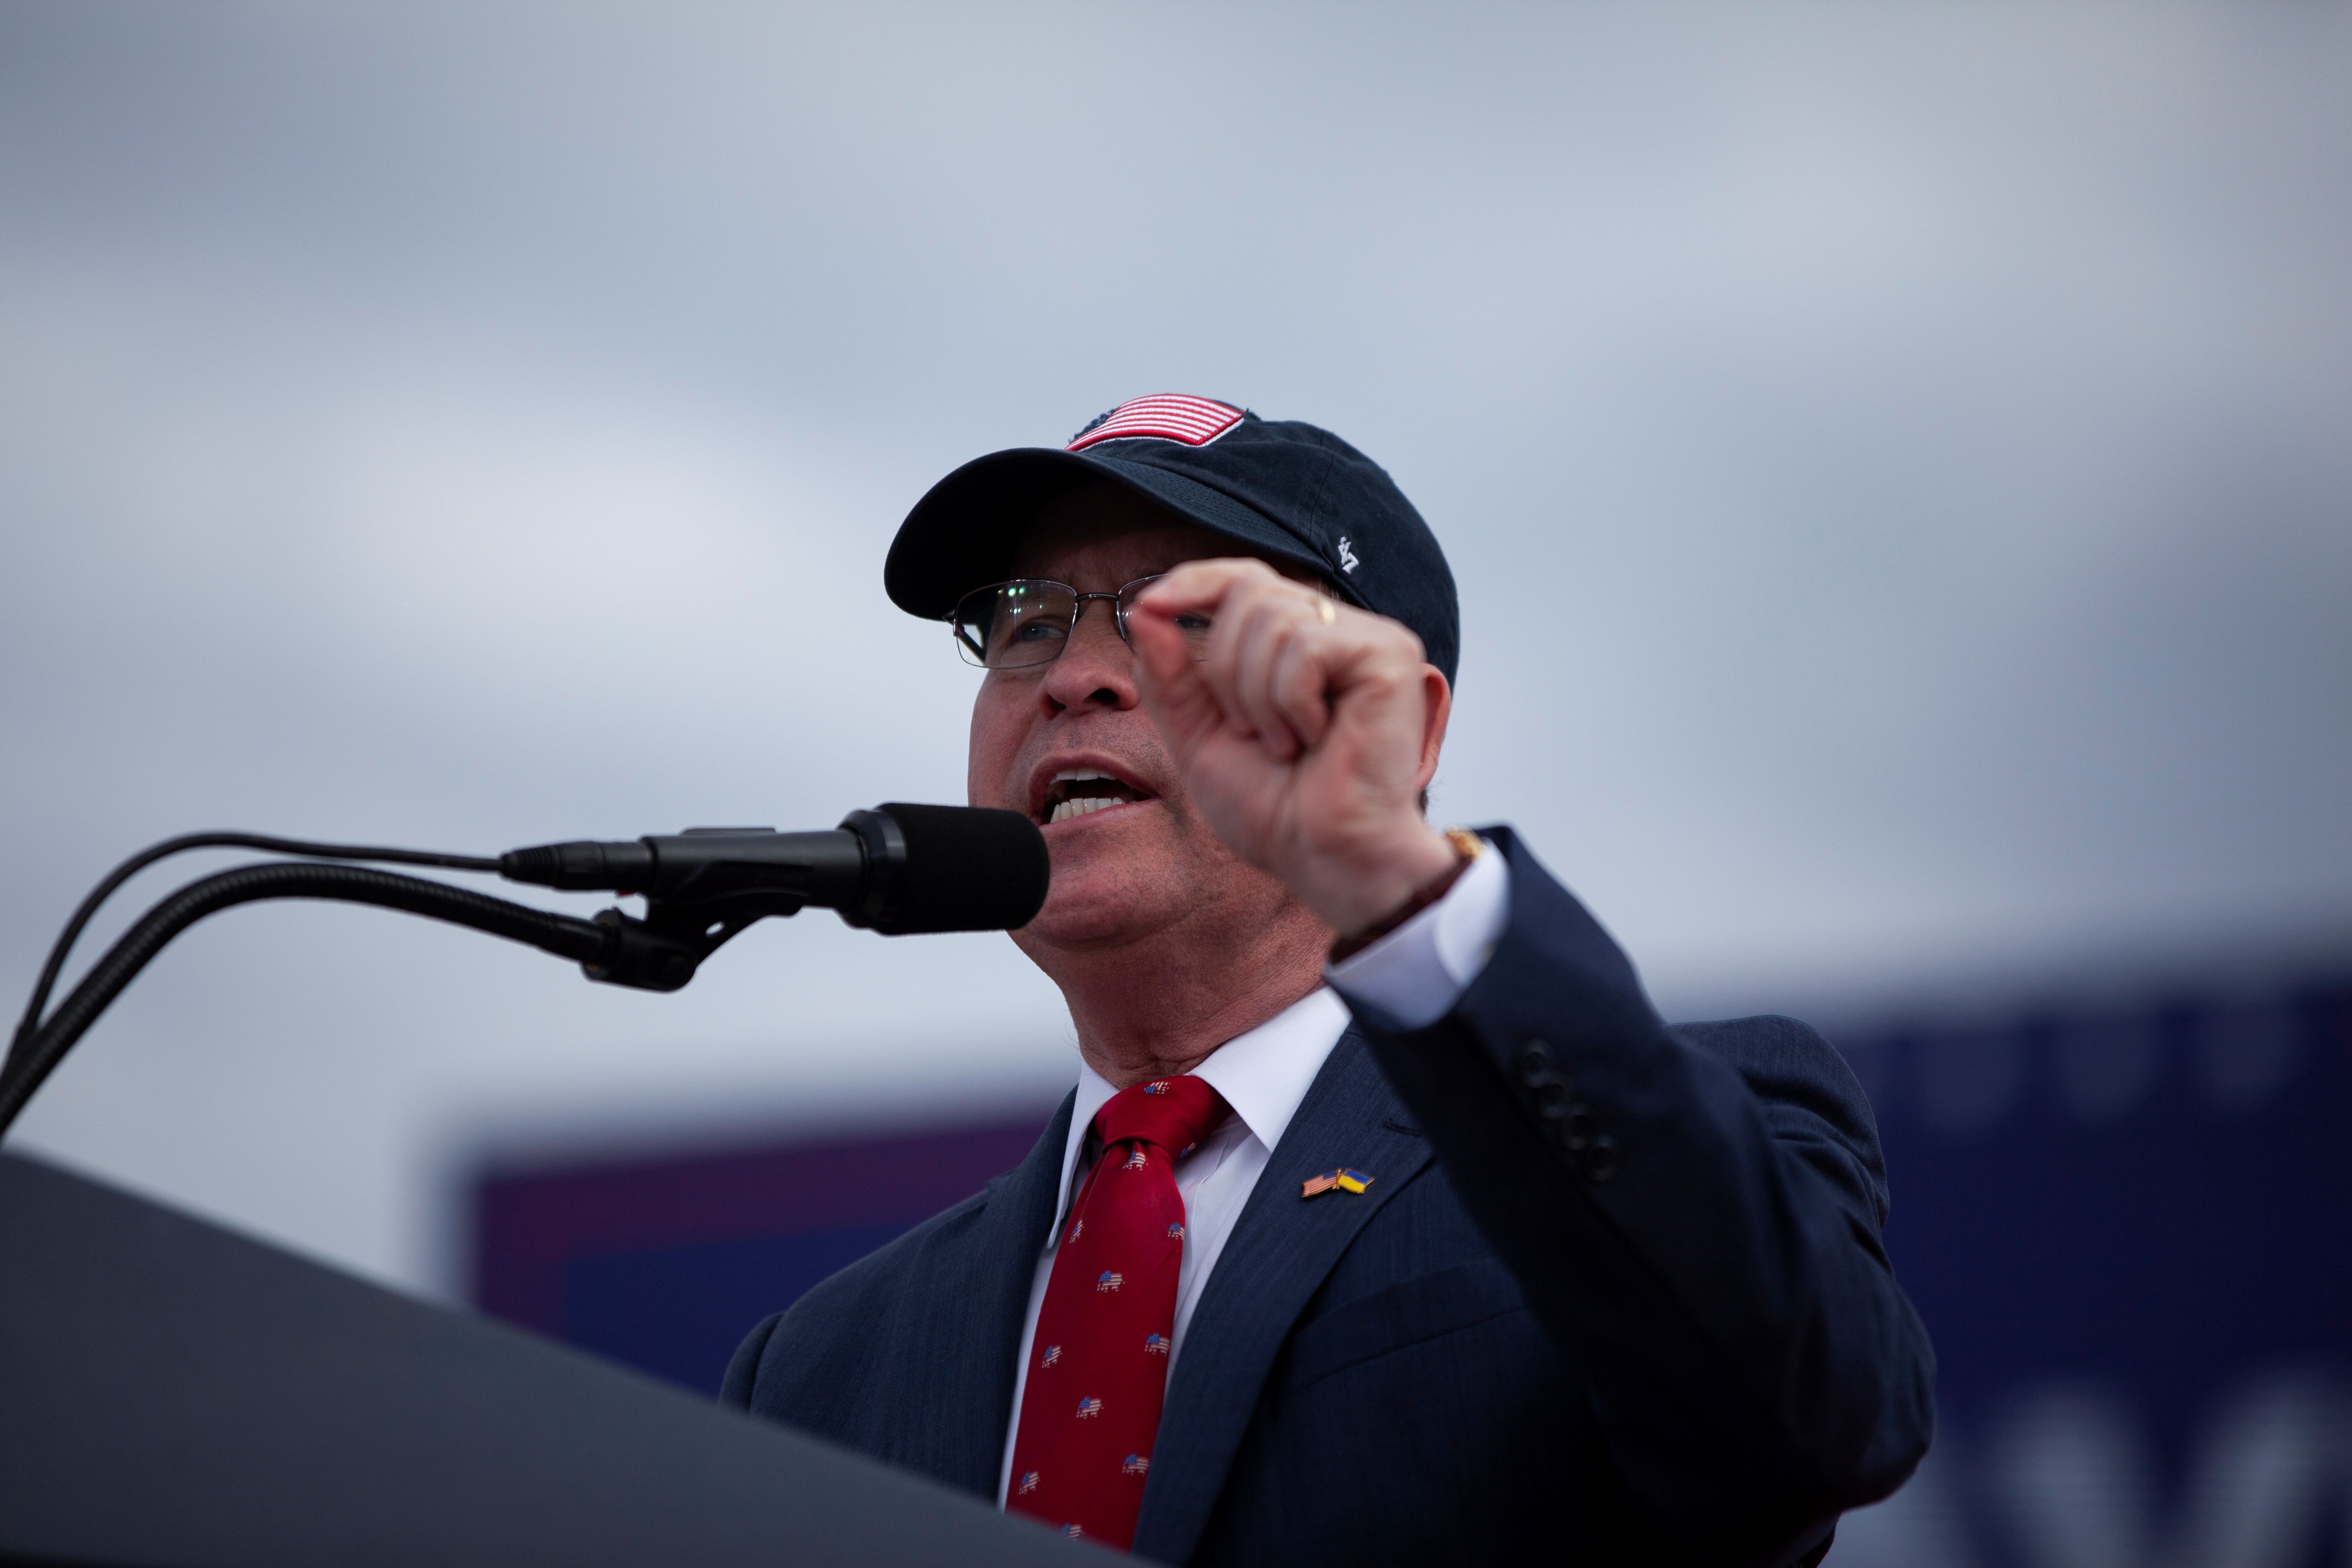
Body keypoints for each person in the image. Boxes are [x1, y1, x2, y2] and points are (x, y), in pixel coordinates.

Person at [723, 395, 1934, 1565]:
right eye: (1028, 619)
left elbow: (1819, 1416)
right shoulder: (816, 1369)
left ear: (1398, 727)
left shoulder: (1632, 1141)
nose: (1072, 675)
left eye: (1178, 618)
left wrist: (1400, 881)